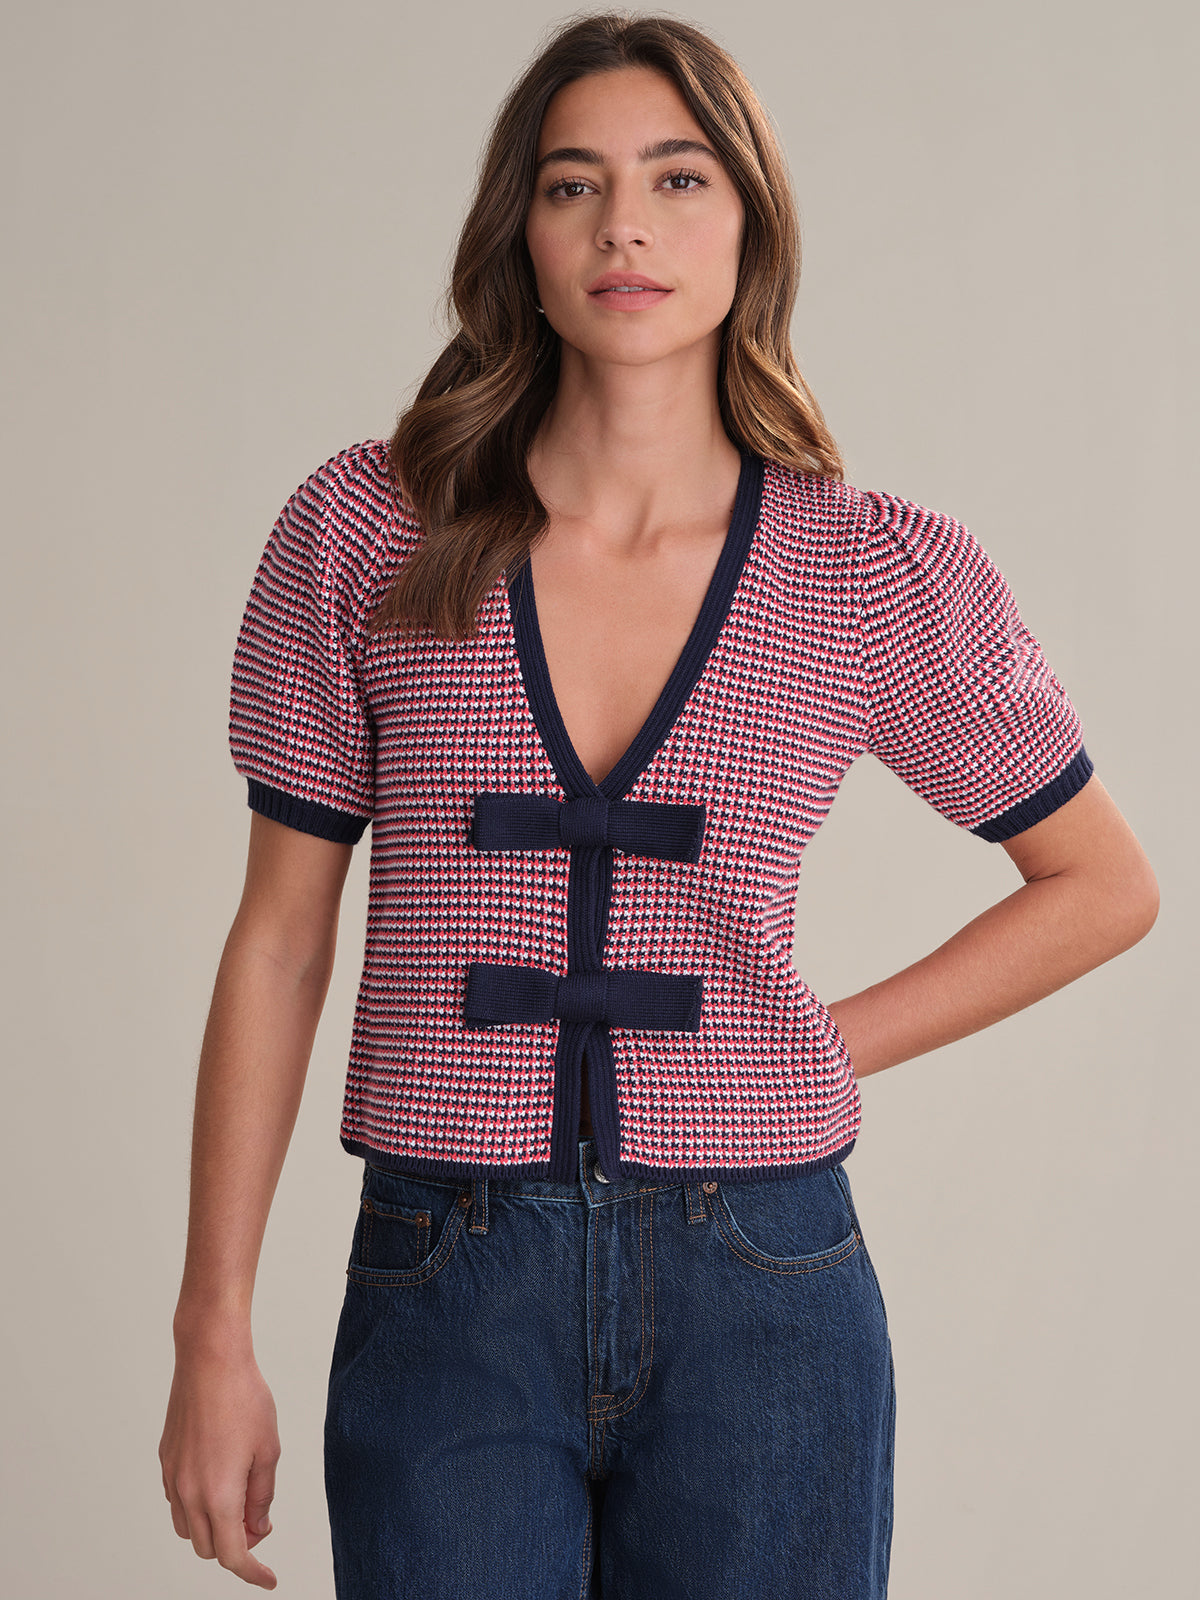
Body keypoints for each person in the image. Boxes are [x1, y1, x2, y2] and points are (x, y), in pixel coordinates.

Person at [158, 12, 1159, 1597]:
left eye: (678, 179)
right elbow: (281, 941)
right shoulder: (368, 531)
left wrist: (824, 1040)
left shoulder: (867, 571)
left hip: (764, 1287)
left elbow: (1102, 884)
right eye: (575, 185)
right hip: (446, 1279)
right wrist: (212, 1325)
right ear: (523, 239)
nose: (626, 223)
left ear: (751, 225)